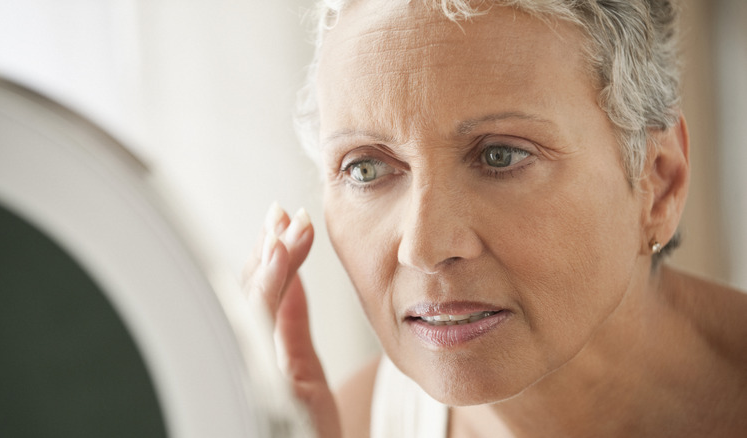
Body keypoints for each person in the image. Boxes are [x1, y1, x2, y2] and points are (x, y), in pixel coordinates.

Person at [242, 0, 747, 436]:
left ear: (658, 184)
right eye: (366, 168)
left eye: (500, 155)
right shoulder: (339, 430)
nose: (424, 246)